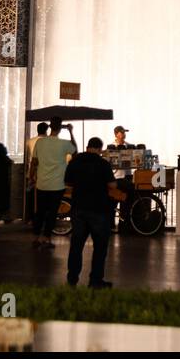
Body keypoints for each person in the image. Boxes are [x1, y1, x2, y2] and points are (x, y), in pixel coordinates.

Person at [64, 137, 117, 288]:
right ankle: (95, 280)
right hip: (98, 209)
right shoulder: (103, 164)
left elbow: (67, 182)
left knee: (76, 246)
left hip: (78, 208)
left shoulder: (75, 161)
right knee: (100, 247)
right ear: (100, 149)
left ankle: (72, 279)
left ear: (87, 147)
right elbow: (112, 185)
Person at [31, 118, 76, 247]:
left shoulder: (40, 142)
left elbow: (34, 162)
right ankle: (47, 239)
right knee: (52, 213)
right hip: (57, 185)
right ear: (61, 128)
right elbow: (75, 151)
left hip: (42, 184)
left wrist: (31, 177)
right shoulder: (63, 144)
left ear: (50, 126)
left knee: (40, 212)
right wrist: (71, 132)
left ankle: (36, 238)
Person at [25, 122, 48, 223]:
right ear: (46, 130)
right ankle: (42, 218)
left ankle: (31, 217)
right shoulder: (48, 142)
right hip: (45, 173)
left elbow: (27, 159)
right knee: (44, 197)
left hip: (31, 173)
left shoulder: (30, 141)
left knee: (31, 198)